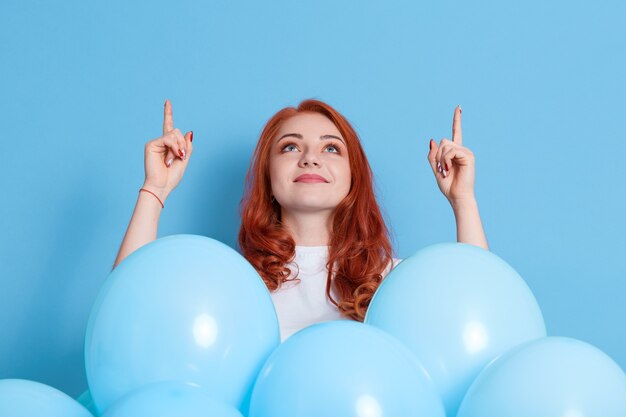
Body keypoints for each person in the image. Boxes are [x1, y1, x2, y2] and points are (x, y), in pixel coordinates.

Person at [113, 98, 489, 342]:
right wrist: (155, 190)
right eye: (290, 146)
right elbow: (125, 309)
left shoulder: (392, 281)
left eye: (331, 148)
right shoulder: (230, 282)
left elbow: (483, 310)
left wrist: (462, 200)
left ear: (352, 178)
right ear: (268, 178)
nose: (310, 158)